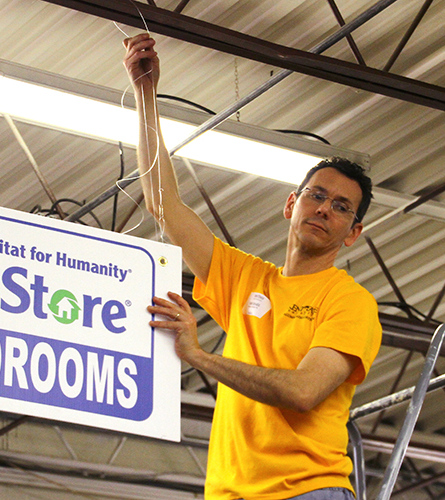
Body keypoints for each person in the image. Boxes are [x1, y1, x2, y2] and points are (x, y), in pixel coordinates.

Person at [123, 33, 382, 500]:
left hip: (306, 491)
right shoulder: (246, 279)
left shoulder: (350, 302)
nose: (324, 209)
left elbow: (304, 391)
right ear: (291, 204)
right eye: (316, 196)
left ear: (353, 232)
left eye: (342, 207)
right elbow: (164, 205)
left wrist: (199, 357)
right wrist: (145, 94)